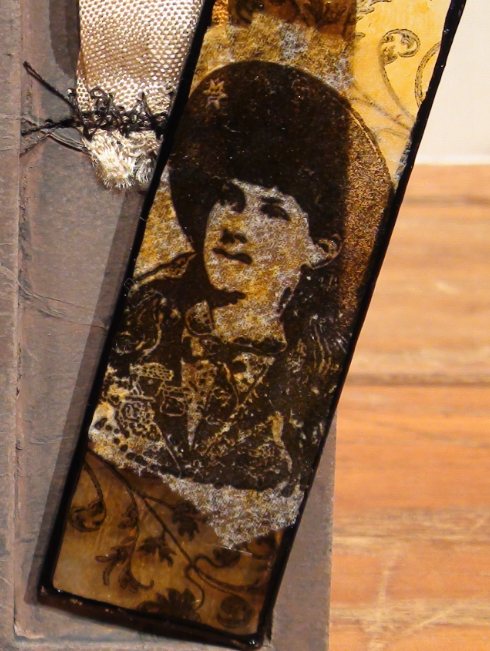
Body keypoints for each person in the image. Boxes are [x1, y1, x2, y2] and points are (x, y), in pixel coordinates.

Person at [90, 60, 392, 511]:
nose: (236, 228)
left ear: (321, 248)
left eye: (272, 212)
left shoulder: (319, 363)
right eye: (229, 199)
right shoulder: (142, 319)